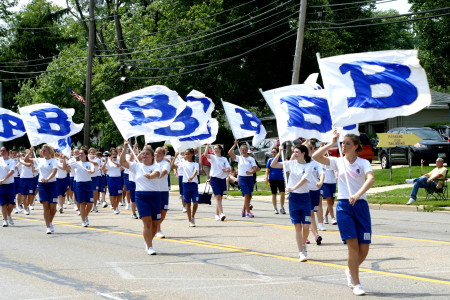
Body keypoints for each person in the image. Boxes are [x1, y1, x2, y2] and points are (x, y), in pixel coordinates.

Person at [313, 131, 375, 296]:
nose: (343, 146)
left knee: (364, 248)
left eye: (347, 143)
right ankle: (357, 283)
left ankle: (350, 270)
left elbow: (371, 179)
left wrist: (357, 194)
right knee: (353, 246)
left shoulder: (363, 163)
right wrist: (331, 143)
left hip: (360, 205)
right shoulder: (337, 162)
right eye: (342, 143)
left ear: (356, 146)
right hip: (344, 206)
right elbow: (316, 157)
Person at [271, 144, 312, 262]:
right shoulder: (290, 164)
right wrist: (279, 152)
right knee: (298, 226)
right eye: (294, 152)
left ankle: (303, 244)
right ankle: (301, 252)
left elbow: (304, 179)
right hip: (294, 199)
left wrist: (293, 187)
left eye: (297, 152)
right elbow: (274, 165)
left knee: (306, 226)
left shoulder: (308, 166)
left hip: (305, 198)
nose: (295, 153)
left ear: (303, 153)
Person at [120, 141, 161, 255]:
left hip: (155, 196)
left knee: (155, 223)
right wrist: (125, 148)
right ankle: (150, 246)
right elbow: (122, 162)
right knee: (147, 222)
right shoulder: (136, 166)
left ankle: (148, 241)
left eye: (147, 154)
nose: (144, 155)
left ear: (152, 156)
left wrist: (151, 175)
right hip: (141, 196)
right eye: (143, 154)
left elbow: (157, 173)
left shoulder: (156, 165)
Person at [25, 145, 59, 234]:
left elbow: (54, 171)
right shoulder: (39, 160)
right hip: (42, 185)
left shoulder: (54, 161)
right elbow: (26, 160)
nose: (43, 152)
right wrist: (30, 151)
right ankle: (48, 226)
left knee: (53, 207)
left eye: (45, 151)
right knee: (45, 206)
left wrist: (48, 178)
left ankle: (50, 221)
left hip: (52, 184)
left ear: (49, 152)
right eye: (42, 151)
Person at [64, 149, 95, 227]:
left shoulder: (89, 163)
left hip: (88, 184)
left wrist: (91, 171)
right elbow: (65, 167)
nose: (80, 155)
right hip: (79, 184)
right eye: (79, 153)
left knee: (90, 203)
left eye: (82, 153)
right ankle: (83, 220)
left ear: (85, 155)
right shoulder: (76, 163)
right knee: (82, 203)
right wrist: (64, 159)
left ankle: (85, 215)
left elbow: (93, 170)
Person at [228, 140, 257, 218]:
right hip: (242, 178)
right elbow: (230, 153)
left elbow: (255, 168)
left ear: (247, 150)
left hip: (249, 178)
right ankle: (248, 212)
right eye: (242, 150)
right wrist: (234, 145)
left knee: (249, 195)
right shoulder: (239, 158)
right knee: (247, 194)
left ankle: (244, 209)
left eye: (245, 150)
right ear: (240, 151)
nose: (244, 151)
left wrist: (250, 172)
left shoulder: (251, 159)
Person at [172, 149, 199, 227]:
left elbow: (195, 171)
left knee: (196, 202)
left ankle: (193, 216)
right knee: (188, 203)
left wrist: (192, 177)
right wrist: (175, 157)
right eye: (184, 154)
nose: (185, 156)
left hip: (193, 184)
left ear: (191, 155)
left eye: (187, 154)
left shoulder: (195, 164)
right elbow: (172, 166)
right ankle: (190, 220)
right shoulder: (183, 163)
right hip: (186, 184)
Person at [204, 144, 230, 221]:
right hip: (214, 179)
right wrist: (207, 146)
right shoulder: (212, 157)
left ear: (220, 149)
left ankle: (216, 214)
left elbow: (229, 168)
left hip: (222, 179)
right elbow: (205, 154)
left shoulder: (224, 159)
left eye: (216, 148)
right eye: (214, 148)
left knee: (219, 198)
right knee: (218, 196)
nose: (214, 150)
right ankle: (221, 213)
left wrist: (226, 170)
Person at [154, 146, 171, 236]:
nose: (157, 154)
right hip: (154, 190)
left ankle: (156, 226)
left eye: (159, 153)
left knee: (163, 211)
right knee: (157, 211)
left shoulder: (166, 163)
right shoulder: (151, 163)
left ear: (163, 155)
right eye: (156, 152)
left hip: (163, 190)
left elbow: (164, 172)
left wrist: (156, 176)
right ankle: (158, 230)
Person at [265, 147, 286, 214]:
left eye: (274, 152)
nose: (273, 153)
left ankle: (282, 207)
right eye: (272, 152)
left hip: (280, 178)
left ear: (277, 153)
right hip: (272, 178)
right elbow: (267, 169)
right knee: (274, 194)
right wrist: (266, 177)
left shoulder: (281, 160)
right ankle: (275, 208)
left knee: (282, 193)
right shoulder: (270, 160)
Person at [102, 148, 122, 214]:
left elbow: (119, 165)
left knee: (119, 194)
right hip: (111, 178)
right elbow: (103, 169)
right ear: (111, 154)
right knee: (113, 194)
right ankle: (115, 207)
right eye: (113, 154)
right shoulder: (108, 161)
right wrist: (105, 162)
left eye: (115, 154)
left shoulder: (119, 160)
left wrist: (112, 161)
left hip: (118, 178)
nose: (114, 155)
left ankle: (116, 206)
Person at [1, 146, 16, 227]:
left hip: (10, 184)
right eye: (1, 151)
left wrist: (3, 179)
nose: (2, 152)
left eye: (3, 151)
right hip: (1, 185)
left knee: (11, 203)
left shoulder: (11, 161)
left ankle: (8, 215)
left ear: (7, 152)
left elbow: (11, 171)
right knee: (3, 203)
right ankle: (5, 220)